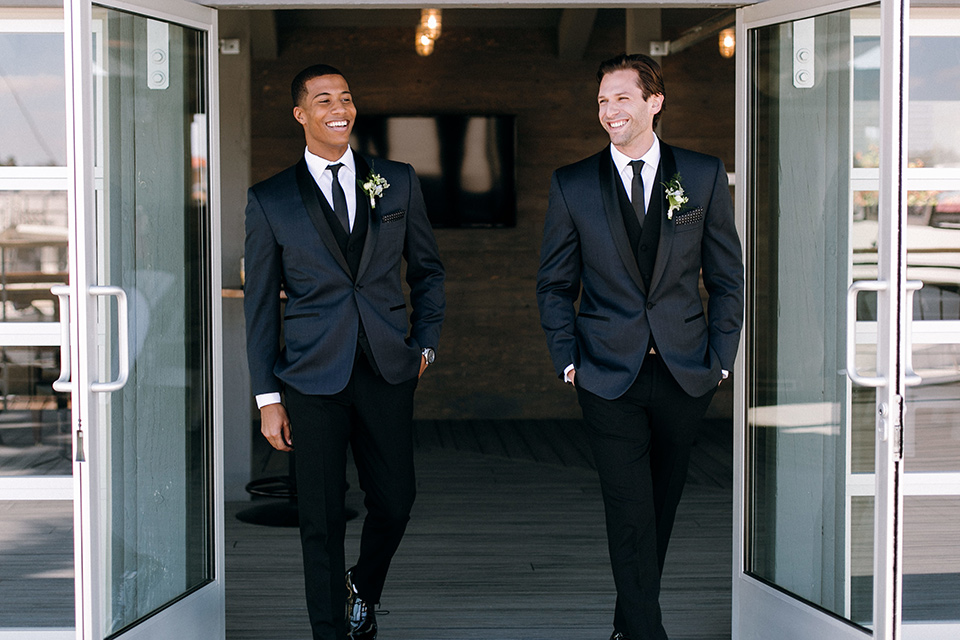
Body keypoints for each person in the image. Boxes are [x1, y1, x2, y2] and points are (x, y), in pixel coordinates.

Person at [536, 53, 743, 640]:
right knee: (628, 509)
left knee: (659, 509)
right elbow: (554, 283)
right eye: (602, 101)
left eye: (621, 98)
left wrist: (721, 361)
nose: (609, 111)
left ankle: (628, 626)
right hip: (605, 374)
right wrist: (568, 360)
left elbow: (727, 277)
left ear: (655, 102)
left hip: (685, 372)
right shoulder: (572, 183)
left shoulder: (701, 175)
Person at [244, 64, 445, 640]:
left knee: (397, 501)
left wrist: (424, 346)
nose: (340, 108)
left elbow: (428, 271)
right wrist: (266, 398)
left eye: (347, 98)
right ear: (300, 114)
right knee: (321, 517)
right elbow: (259, 305)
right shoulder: (271, 198)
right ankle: (330, 631)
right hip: (308, 380)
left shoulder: (397, 180)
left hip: (387, 370)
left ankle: (365, 585)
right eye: (324, 99)